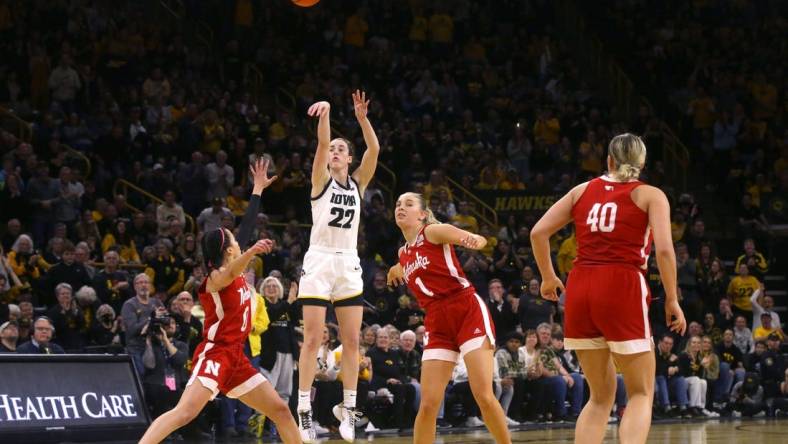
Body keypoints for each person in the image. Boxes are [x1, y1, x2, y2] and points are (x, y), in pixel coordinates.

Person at [529, 134, 687, 444]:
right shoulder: (650, 194)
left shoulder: (581, 190)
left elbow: (538, 232)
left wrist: (548, 277)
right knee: (641, 392)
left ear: (609, 160)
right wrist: (671, 297)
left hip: (581, 285)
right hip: (621, 284)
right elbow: (666, 251)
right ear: (641, 164)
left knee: (600, 397)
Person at [139, 159, 300, 444]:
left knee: (280, 410)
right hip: (215, 353)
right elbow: (233, 269)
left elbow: (248, 226)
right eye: (234, 241)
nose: (239, 240)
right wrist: (251, 252)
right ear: (227, 251)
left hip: (237, 356)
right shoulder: (214, 279)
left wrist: (258, 190)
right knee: (184, 412)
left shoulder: (234, 265)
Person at [387, 192, 510, 444]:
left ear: (422, 214)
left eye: (408, 204)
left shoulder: (433, 231)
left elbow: (476, 239)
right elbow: (410, 262)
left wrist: (475, 239)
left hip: (465, 309)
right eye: (398, 204)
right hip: (436, 319)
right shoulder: (402, 253)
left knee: (484, 395)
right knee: (429, 403)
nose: (401, 207)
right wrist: (395, 268)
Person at [296, 92, 380, 443]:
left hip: (348, 262)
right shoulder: (320, 180)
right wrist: (327, 114)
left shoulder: (358, 183)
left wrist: (362, 119)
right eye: (333, 149)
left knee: (350, 341)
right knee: (313, 338)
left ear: (349, 158)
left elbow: (374, 151)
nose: (334, 153)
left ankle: (347, 411)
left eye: (341, 150)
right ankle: (303, 410)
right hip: (319, 259)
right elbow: (320, 144)